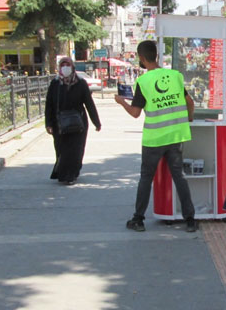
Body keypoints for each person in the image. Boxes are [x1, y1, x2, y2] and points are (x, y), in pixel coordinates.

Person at [114, 40, 198, 233]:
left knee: (146, 177)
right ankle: (190, 219)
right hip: (176, 136)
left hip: (154, 139)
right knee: (179, 176)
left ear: (141, 59)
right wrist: (189, 119)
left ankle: (138, 219)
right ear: (157, 56)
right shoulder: (175, 75)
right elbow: (190, 102)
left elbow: (135, 113)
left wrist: (121, 102)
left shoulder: (143, 82)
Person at [44, 56, 101, 185]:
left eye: (67, 65)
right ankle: (63, 174)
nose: (65, 68)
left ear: (72, 67)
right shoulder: (55, 84)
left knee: (76, 149)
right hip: (59, 123)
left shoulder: (80, 83)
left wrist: (96, 122)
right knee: (62, 150)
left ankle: (72, 174)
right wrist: (48, 123)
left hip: (78, 122)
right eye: (62, 65)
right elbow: (49, 105)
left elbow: (89, 103)